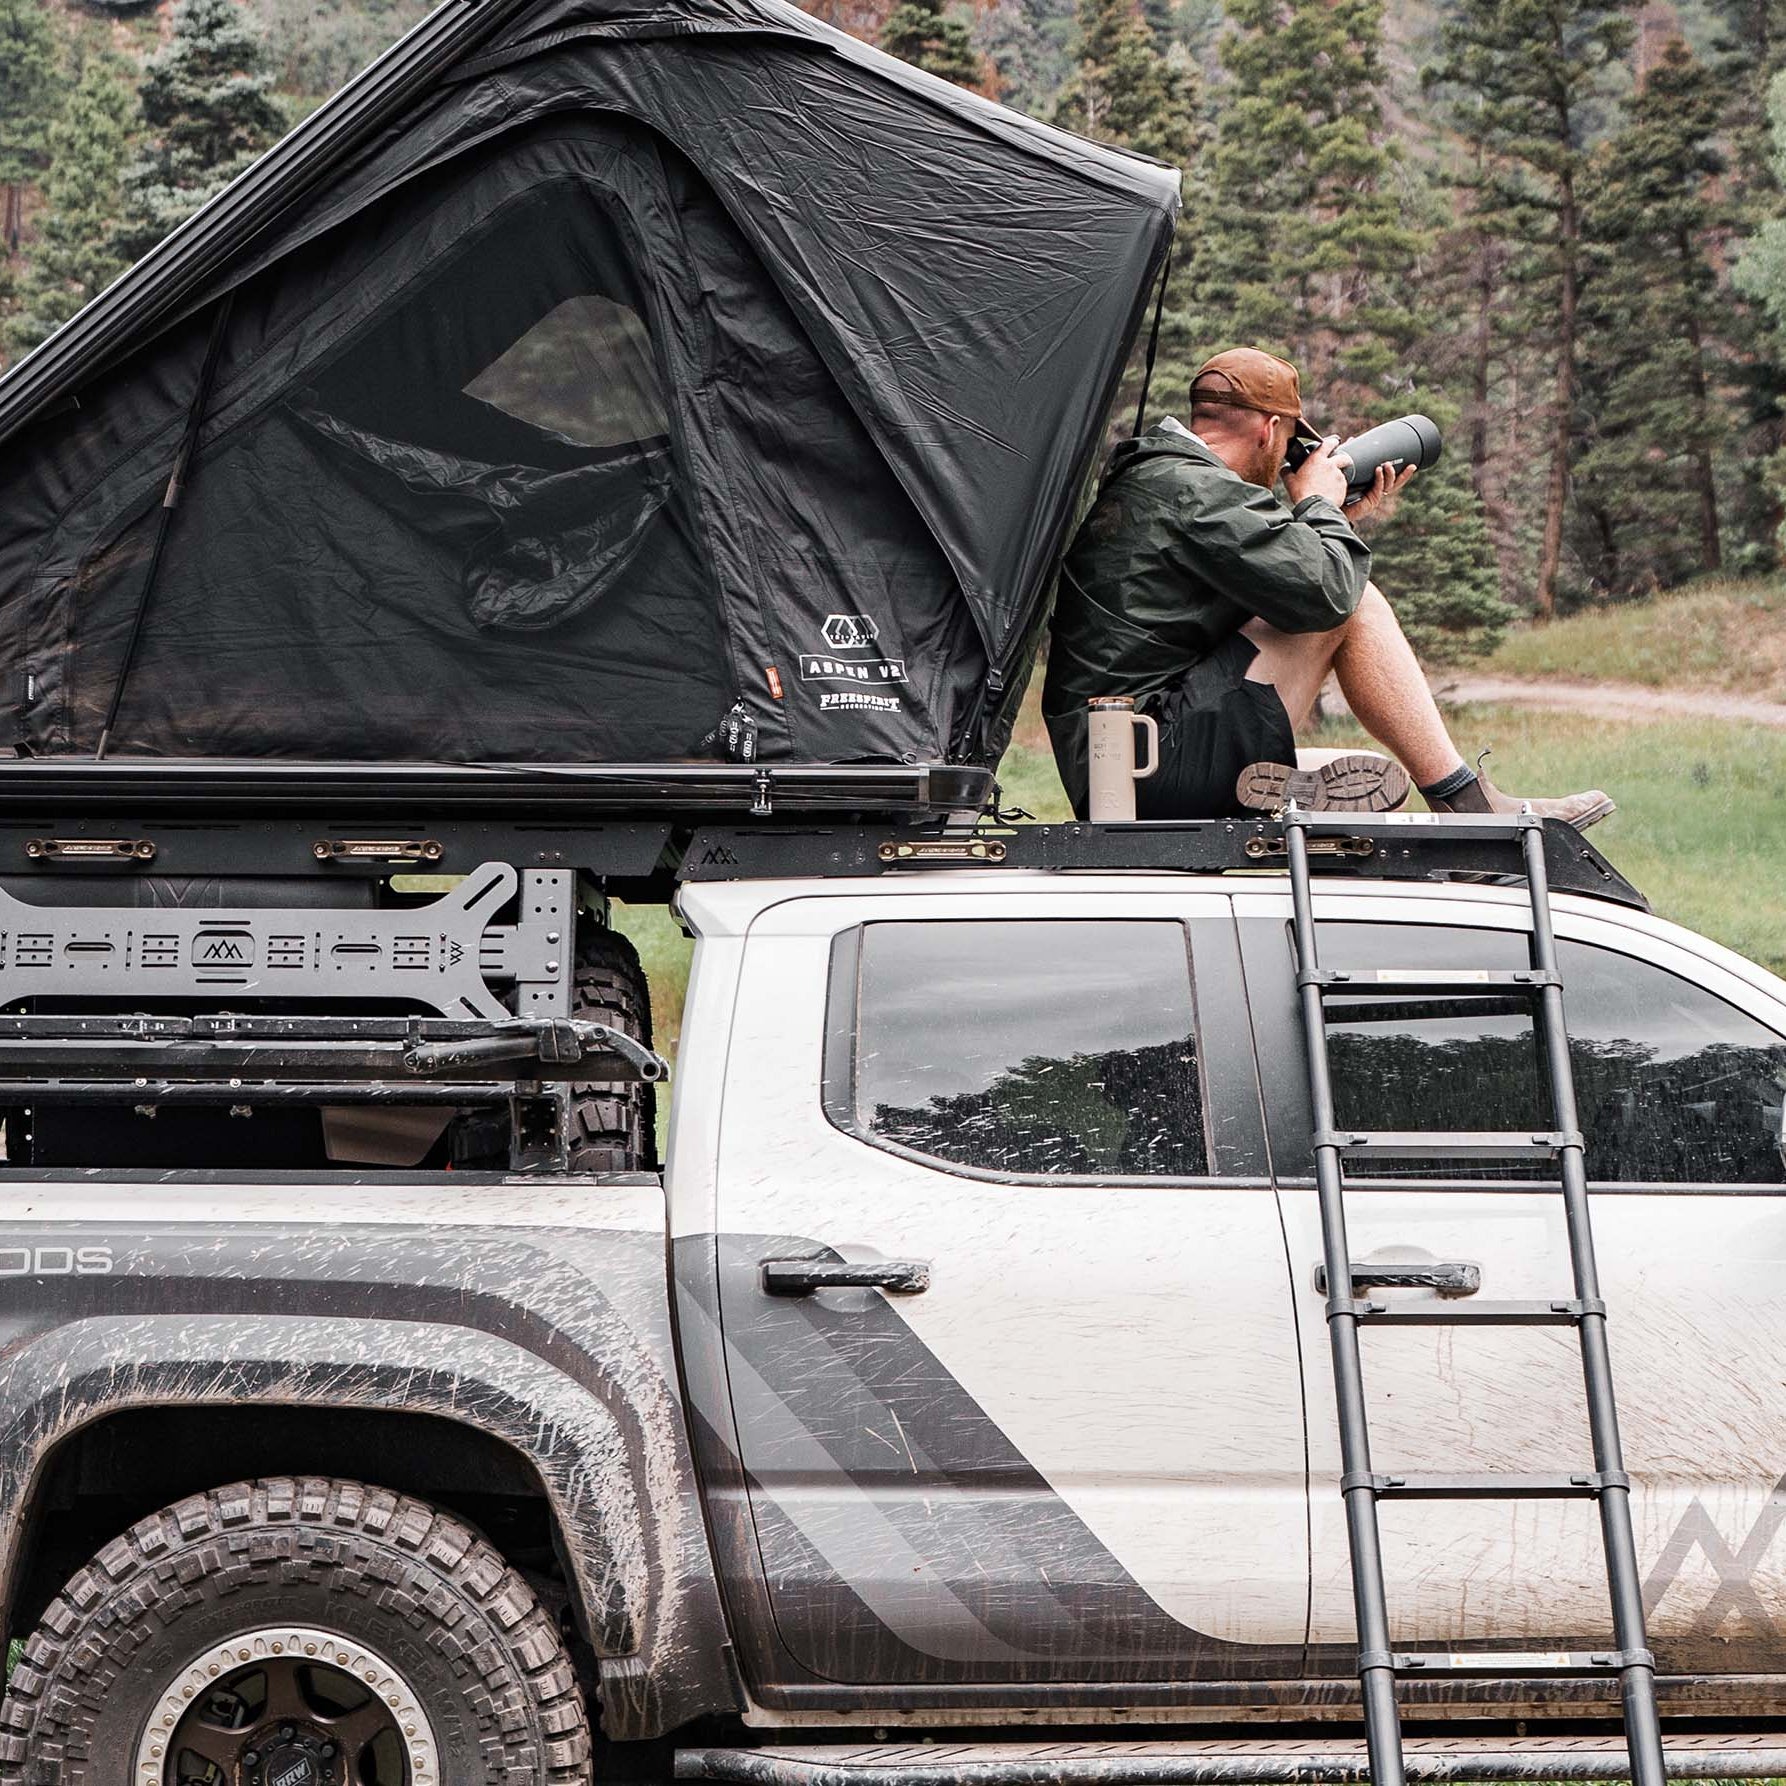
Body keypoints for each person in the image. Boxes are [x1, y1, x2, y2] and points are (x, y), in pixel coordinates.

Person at [1043, 348, 1613, 828]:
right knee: (1356, 604)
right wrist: (1317, 503)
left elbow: (1262, 587)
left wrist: (1332, 521)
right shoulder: (1196, 492)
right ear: (1271, 432)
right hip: (1153, 762)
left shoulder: (1165, 478)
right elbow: (1328, 595)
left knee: (1365, 771)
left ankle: (1297, 791)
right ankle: (1467, 802)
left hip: (1123, 763)